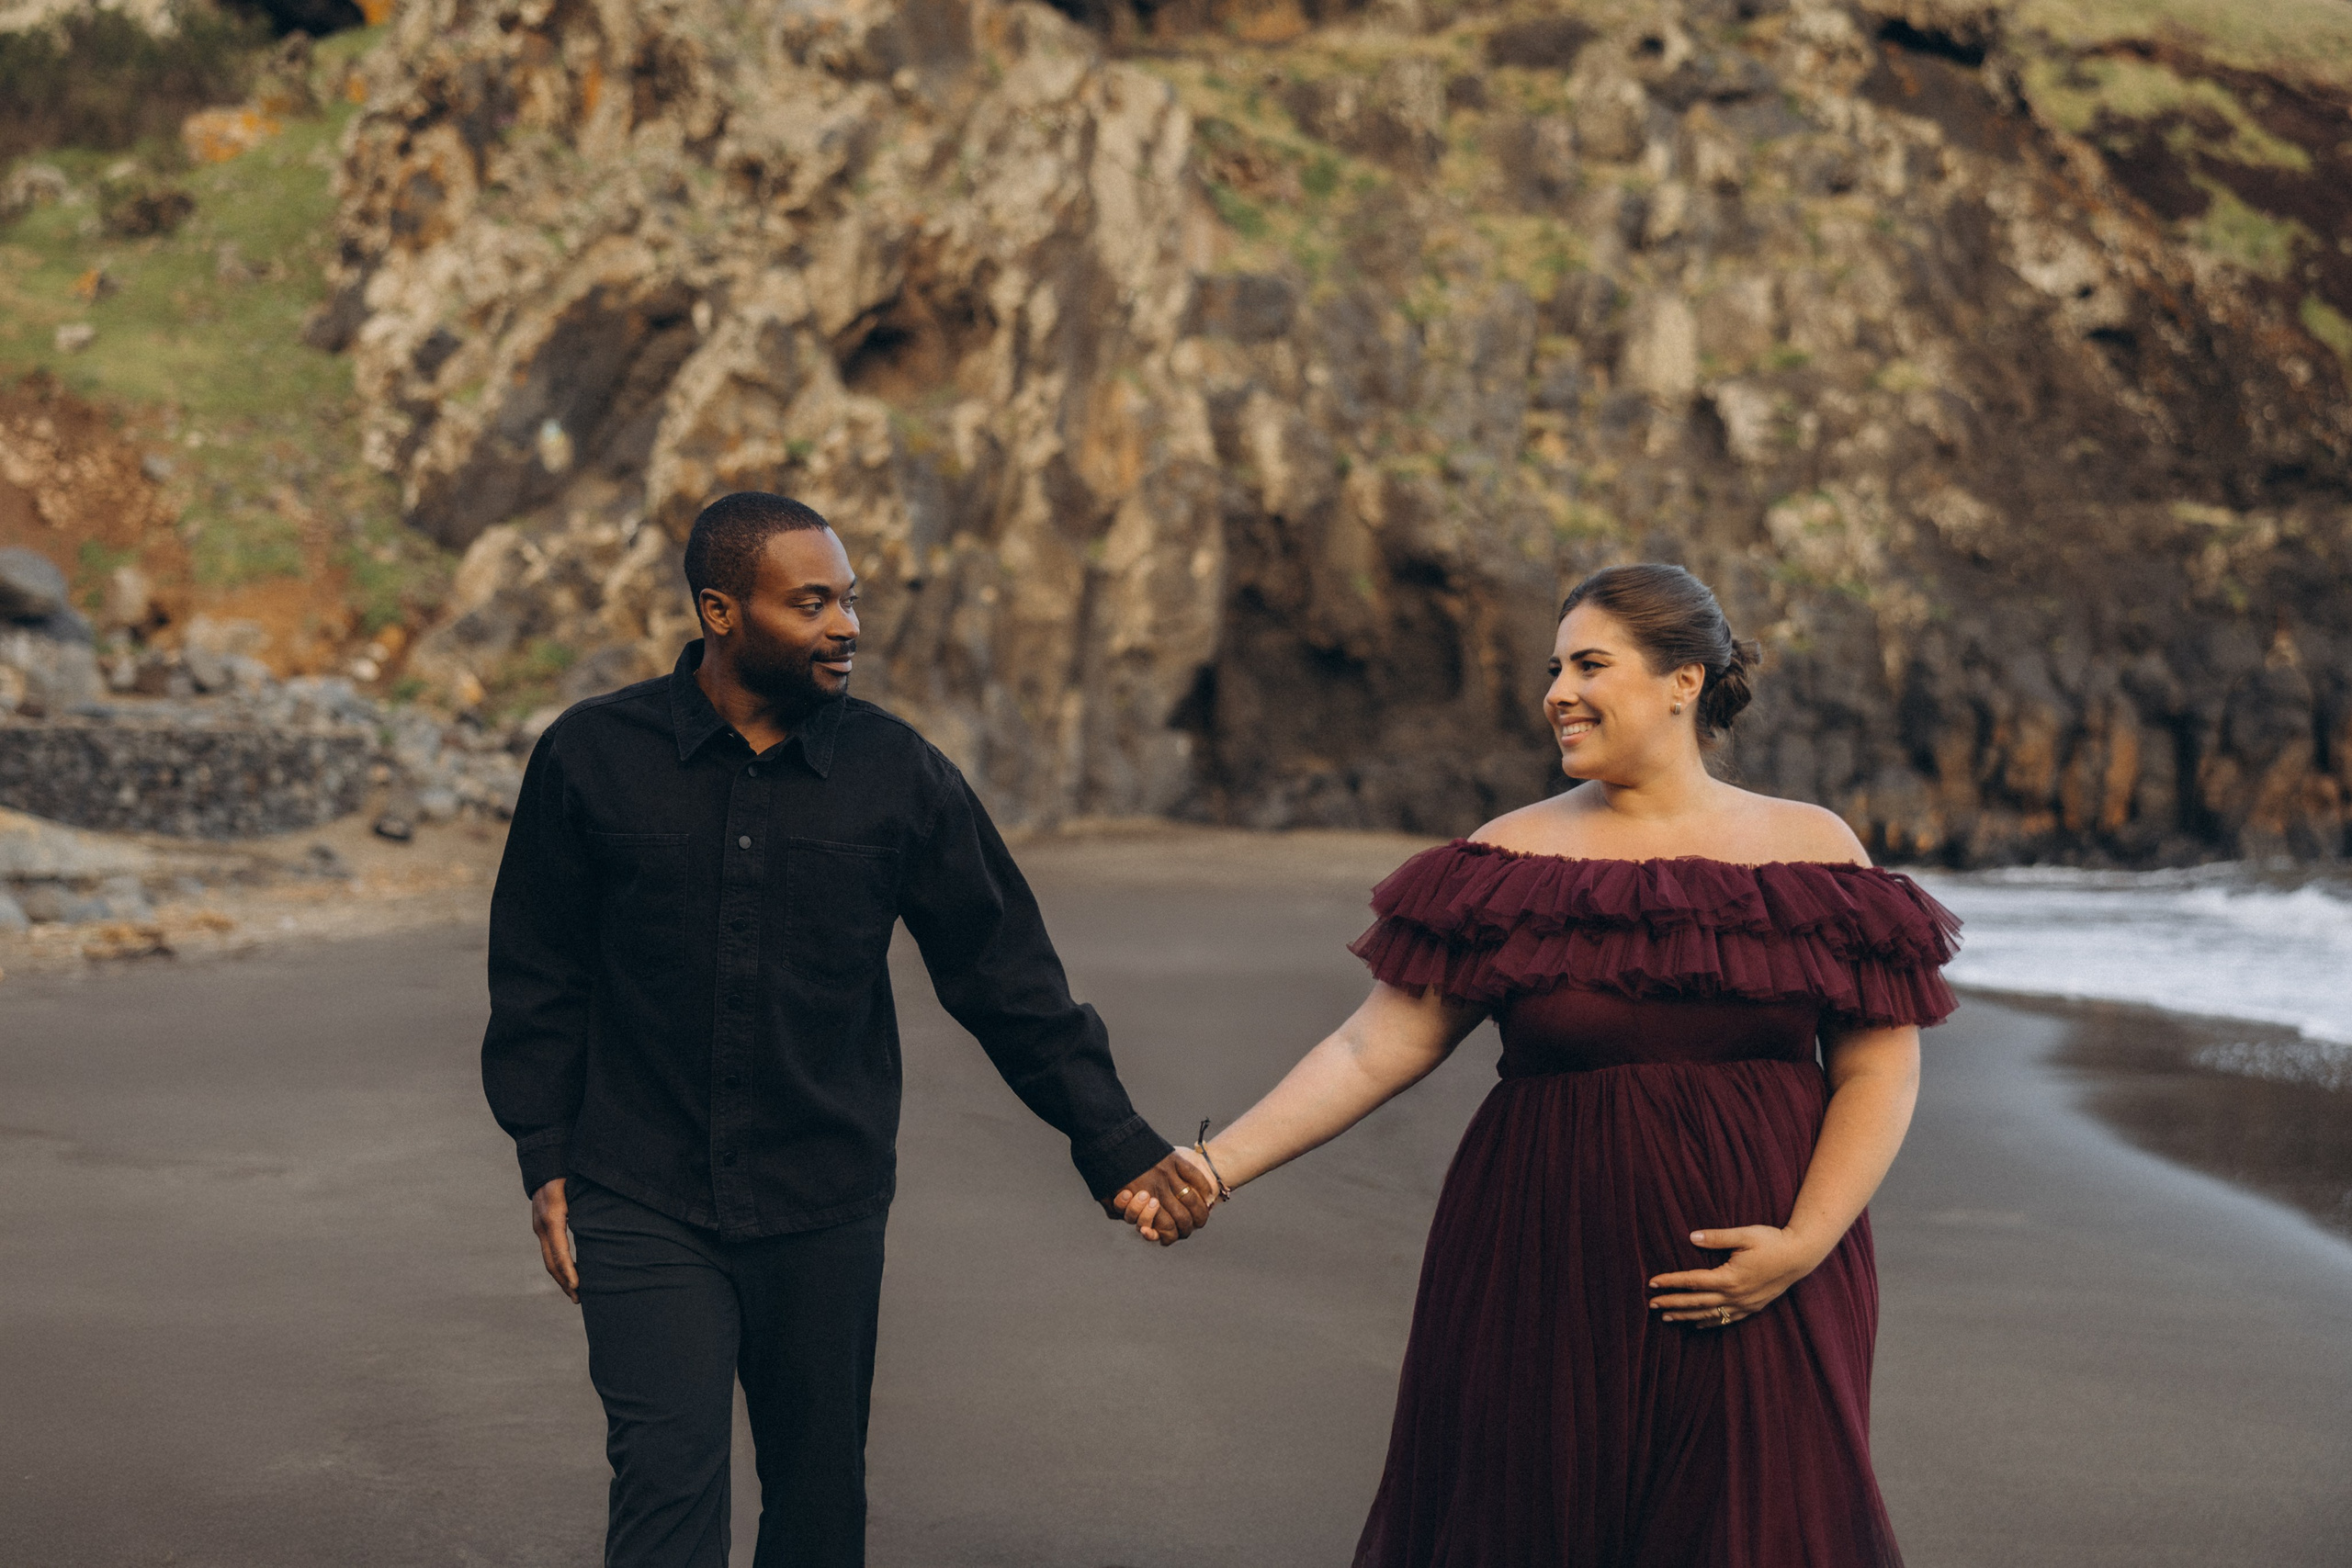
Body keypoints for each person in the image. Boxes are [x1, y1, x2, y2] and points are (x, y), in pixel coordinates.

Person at [1119, 562, 1960, 1566]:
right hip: (1541, 1262)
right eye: (1554, 667)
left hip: (1770, 1267)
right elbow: (1371, 1045)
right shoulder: (1507, 861)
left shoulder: (1809, 850)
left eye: (1589, 664)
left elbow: (1878, 1070)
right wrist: (1211, 1169)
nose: (1556, 692)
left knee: (1759, 1524)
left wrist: (1802, 1243)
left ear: (1683, 679)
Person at [481, 491, 1212, 1568]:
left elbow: (1005, 977)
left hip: (823, 1200)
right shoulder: (593, 756)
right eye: (812, 601)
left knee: (817, 1507)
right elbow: (539, 970)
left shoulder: (897, 776)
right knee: (662, 1495)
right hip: (638, 1188)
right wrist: (546, 1155)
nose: (847, 626)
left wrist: (1117, 1142)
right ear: (722, 611)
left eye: (851, 599)